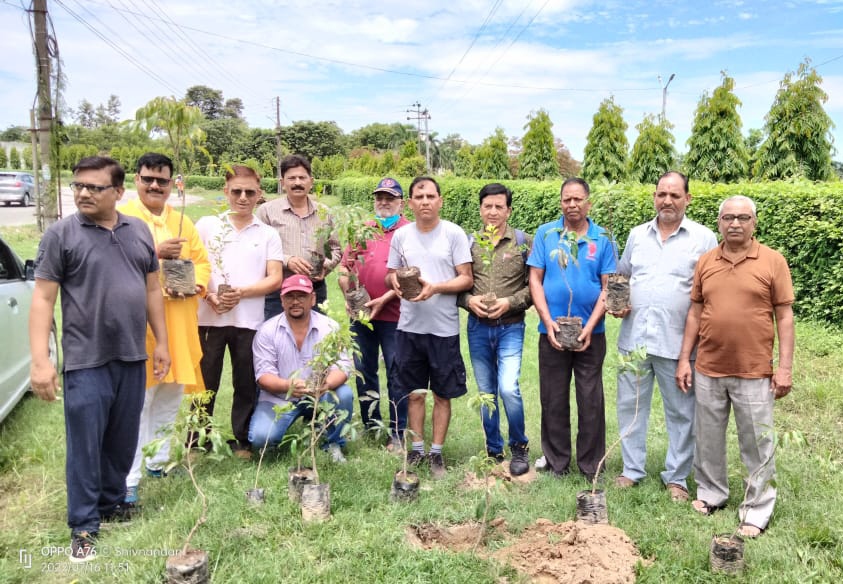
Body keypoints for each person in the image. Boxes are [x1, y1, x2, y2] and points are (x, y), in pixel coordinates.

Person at [28, 156, 169, 562]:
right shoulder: (61, 235)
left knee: (122, 439)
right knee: (85, 444)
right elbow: (42, 298)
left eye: (94, 187)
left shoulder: (137, 230)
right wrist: (41, 361)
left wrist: (161, 342)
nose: (83, 193)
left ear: (118, 193)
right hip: (86, 359)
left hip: (131, 354)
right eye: (78, 186)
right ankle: (85, 525)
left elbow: (152, 290)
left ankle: (112, 502)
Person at [676, 195, 794, 539]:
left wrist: (784, 368)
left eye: (743, 217)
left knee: (757, 443)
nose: (735, 223)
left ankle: (757, 509)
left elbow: (784, 317)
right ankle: (711, 494)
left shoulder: (772, 261)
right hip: (708, 366)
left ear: (754, 223)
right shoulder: (707, 261)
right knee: (708, 439)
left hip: (755, 370)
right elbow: (695, 312)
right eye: (728, 217)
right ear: (719, 222)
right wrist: (685, 358)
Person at [608, 171, 718, 501]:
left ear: (687, 199)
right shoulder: (637, 235)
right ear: (654, 197)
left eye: (674, 195)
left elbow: (709, 292)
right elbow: (622, 275)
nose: (667, 201)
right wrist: (617, 300)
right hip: (634, 340)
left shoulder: (703, 239)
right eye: (661, 194)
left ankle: (677, 477)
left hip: (677, 345)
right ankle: (631, 470)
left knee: (682, 413)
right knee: (630, 407)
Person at [121, 153, 211, 506]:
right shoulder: (124, 220)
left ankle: (158, 462)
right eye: (148, 179)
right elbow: (116, 264)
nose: (155, 186)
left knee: (171, 394)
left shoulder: (182, 222)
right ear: (136, 180)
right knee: (138, 401)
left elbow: (202, 263)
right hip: (141, 326)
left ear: (173, 184)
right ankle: (129, 476)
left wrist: (194, 285)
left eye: (162, 180)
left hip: (181, 322)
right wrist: (155, 254)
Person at [528, 177, 615, 480]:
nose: (572, 204)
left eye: (578, 199)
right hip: (551, 331)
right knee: (553, 397)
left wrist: (590, 327)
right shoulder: (547, 234)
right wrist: (547, 319)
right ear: (561, 202)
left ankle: (591, 464)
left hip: (593, 334)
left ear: (588, 202)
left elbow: (607, 288)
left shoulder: (602, 238)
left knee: (590, 398)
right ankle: (556, 461)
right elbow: (535, 279)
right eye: (567, 199)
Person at [386, 176, 473, 479]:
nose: (425, 201)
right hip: (410, 327)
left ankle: (436, 453)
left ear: (440, 200)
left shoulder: (453, 234)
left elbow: (466, 278)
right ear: (409, 202)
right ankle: (416, 448)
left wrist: (435, 288)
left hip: (443, 328)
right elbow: (390, 274)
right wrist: (394, 281)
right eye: (419, 196)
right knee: (413, 393)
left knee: (442, 394)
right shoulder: (402, 236)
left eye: (430, 196)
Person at [195, 165, 284, 458]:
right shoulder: (208, 226)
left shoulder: (268, 233)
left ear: (259, 194)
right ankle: (197, 440)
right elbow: (194, 268)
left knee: (244, 381)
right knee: (205, 382)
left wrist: (241, 293)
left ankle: (243, 439)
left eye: (250, 192)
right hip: (209, 317)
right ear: (226, 192)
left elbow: (275, 277)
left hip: (249, 321)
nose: (243, 197)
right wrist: (208, 296)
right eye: (237, 191)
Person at [458, 183, 533, 476]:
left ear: (508, 210)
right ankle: (493, 448)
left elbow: (534, 286)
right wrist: (468, 300)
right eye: (487, 206)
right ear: (480, 209)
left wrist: (510, 302)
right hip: (478, 327)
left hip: (510, 327)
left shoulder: (524, 242)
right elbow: (459, 285)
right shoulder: (468, 243)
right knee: (486, 391)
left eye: (498, 206)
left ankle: (519, 446)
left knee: (508, 388)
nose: (492, 212)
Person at [338, 177, 411, 448]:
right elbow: (345, 267)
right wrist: (348, 292)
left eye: (390, 198)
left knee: (396, 370)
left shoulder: (409, 232)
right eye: (380, 197)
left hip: (394, 314)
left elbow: (410, 275)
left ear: (401, 203)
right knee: (363, 368)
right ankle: (371, 424)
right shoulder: (364, 230)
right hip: (362, 316)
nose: (384, 202)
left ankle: (397, 429)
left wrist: (384, 298)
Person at [248, 275, 354, 462]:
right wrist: (288, 385)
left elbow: (343, 367)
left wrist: (326, 385)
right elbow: (263, 375)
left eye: (301, 296)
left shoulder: (329, 327)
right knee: (260, 438)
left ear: (313, 299)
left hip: (320, 395)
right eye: (290, 296)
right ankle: (282, 432)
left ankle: (333, 442)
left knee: (343, 394)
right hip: (279, 399)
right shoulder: (267, 331)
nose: (295, 302)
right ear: (282, 300)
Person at [256, 154, 341, 318]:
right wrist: (287, 260)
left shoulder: (325, 213)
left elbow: (335, 247)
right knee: (276, 337)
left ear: (311, 181)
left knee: (316, 338)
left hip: (314, 289)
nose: (297, 183)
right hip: (278, 291)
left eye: (302, 177)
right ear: (282, 182)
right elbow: (257, 249)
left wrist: (326, 266)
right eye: (291, 178)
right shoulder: (267, 211)